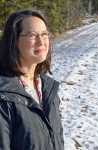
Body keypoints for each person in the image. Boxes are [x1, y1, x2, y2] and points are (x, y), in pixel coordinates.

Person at [0, 9, 64, 150]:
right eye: (32, 35)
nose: (41, 41)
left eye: (44, 34)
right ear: (14, 41)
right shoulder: (4, 96)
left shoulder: (47, 88)